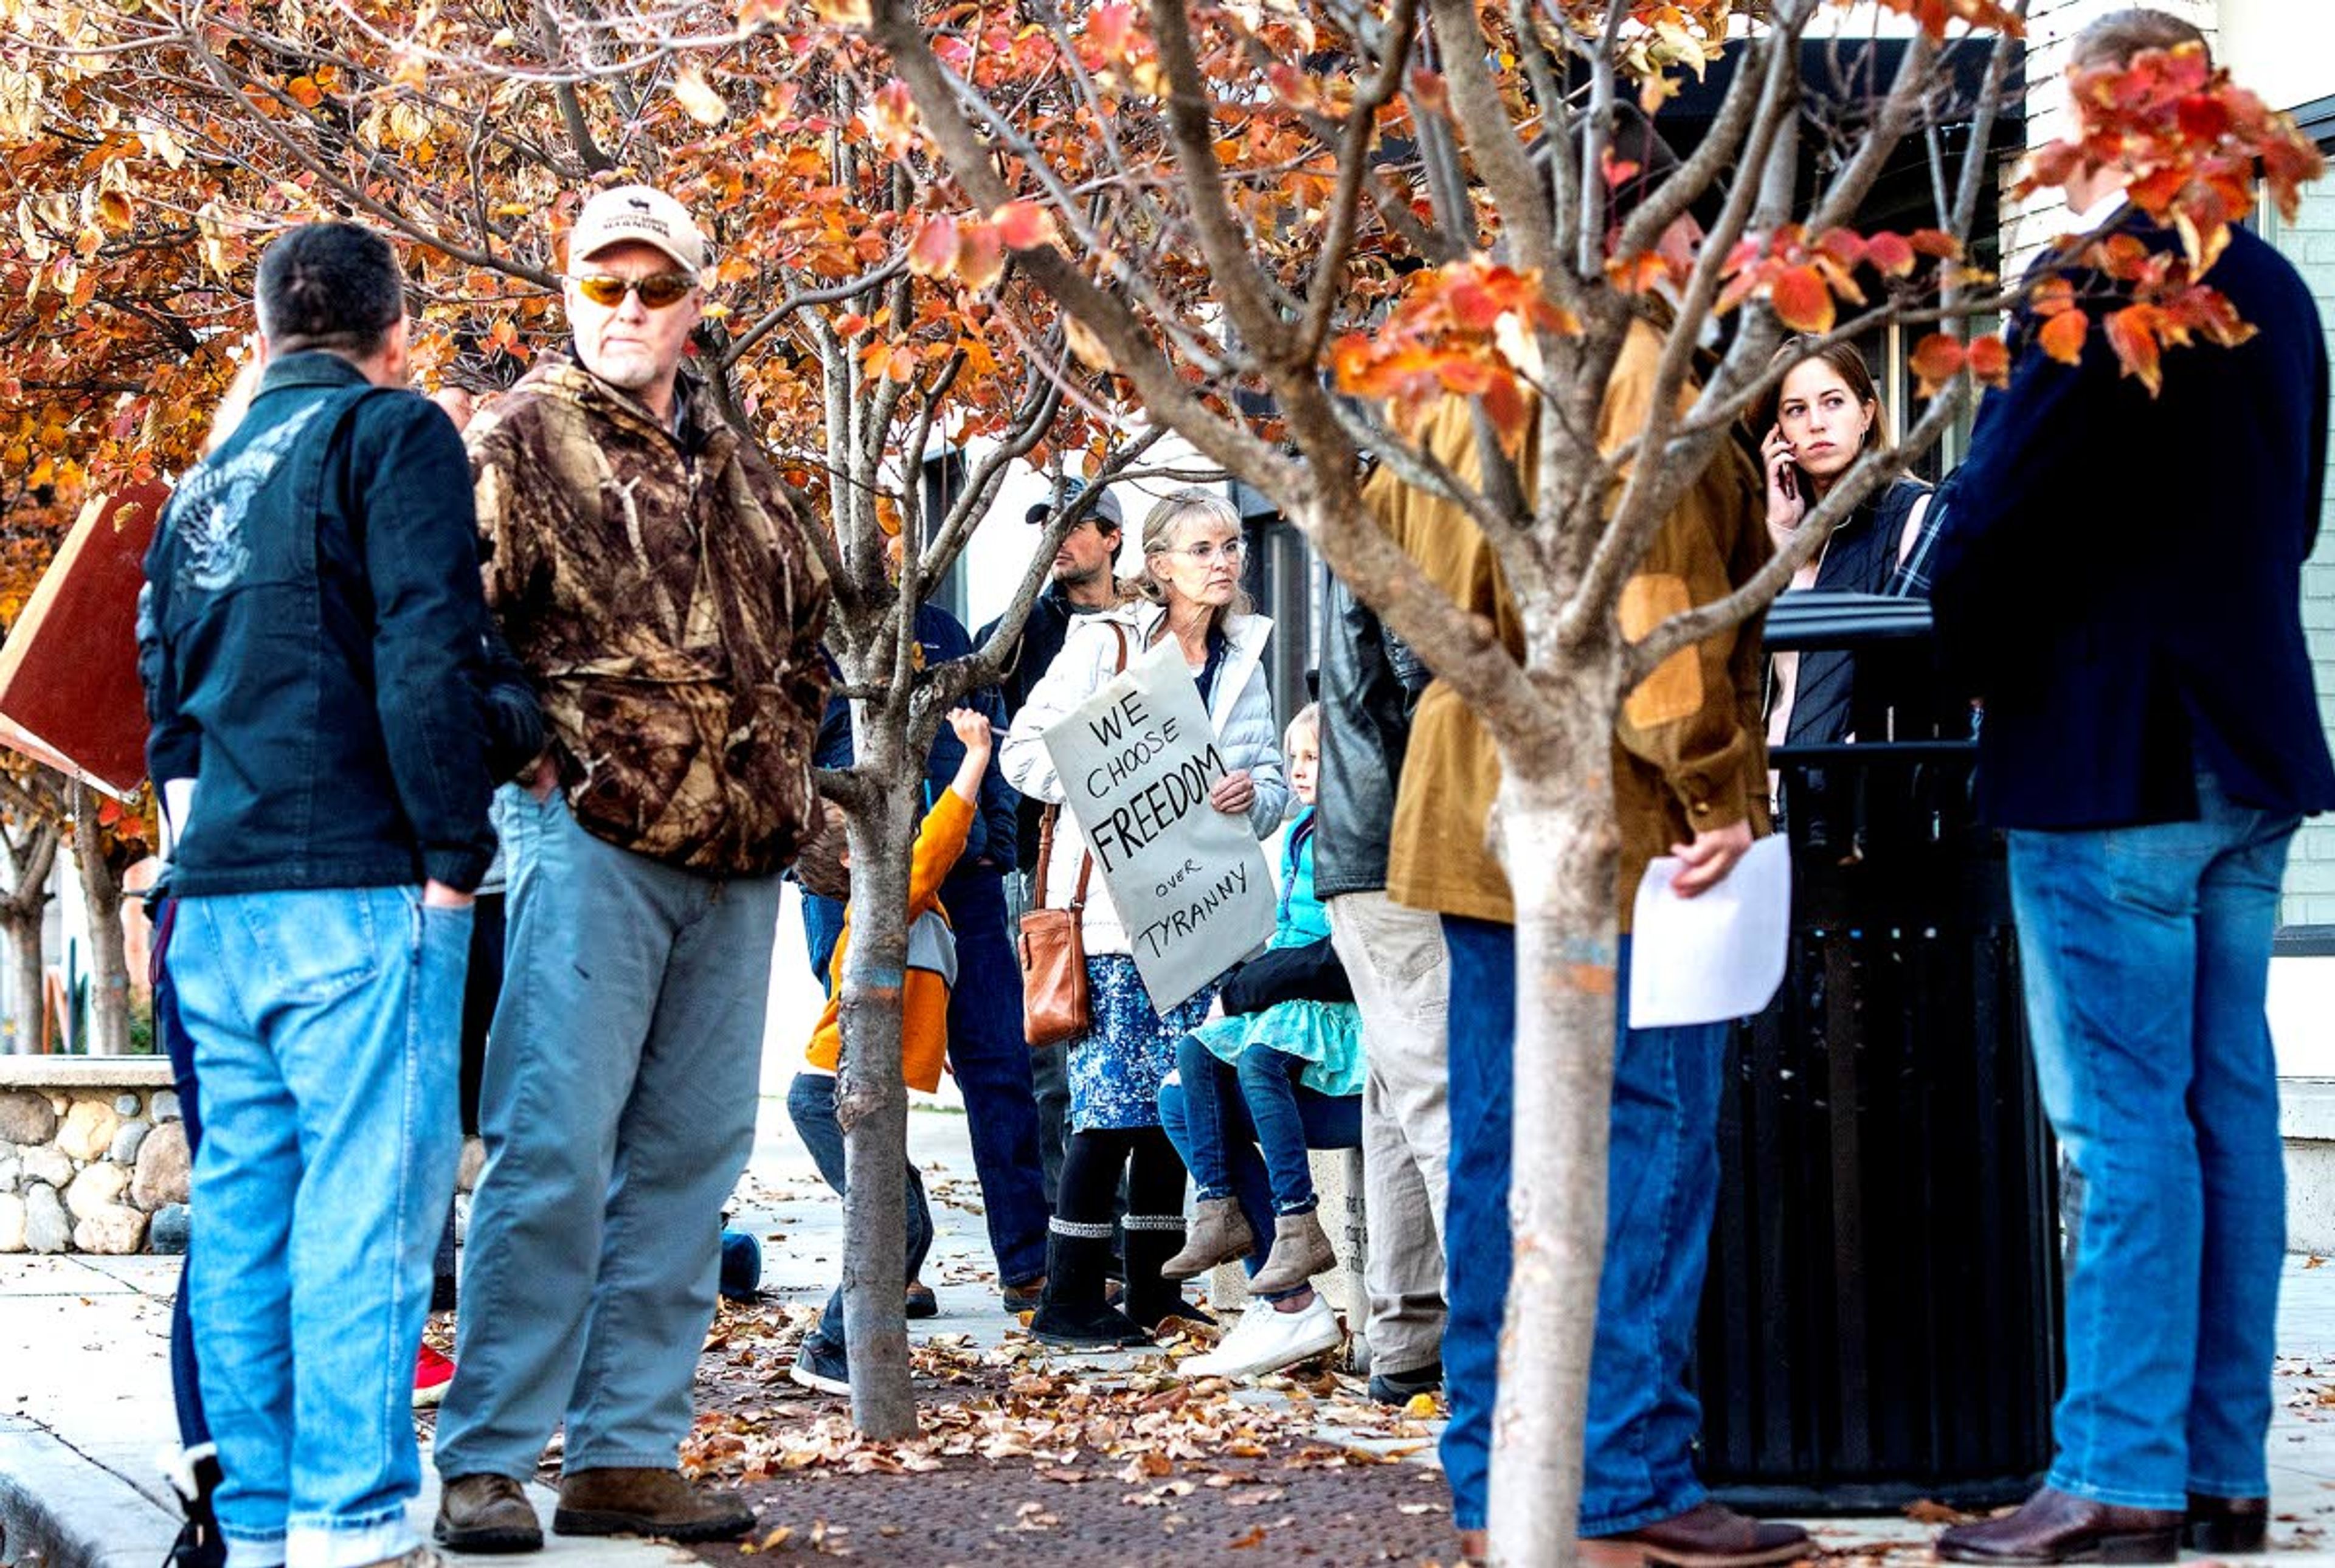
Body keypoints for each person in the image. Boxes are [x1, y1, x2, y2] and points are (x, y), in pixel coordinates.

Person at [1925, 12, 2335, 1564]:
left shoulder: (2089, 278)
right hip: (2243, 747)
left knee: (2121, 1127)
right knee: (2223, 1113)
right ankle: (2217, 1471)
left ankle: (2115, 1475)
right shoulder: (2279, 289)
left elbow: (1990, 517)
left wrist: (1966, 652)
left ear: (2097, 120)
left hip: (2110, 758)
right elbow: (2289, 521)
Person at [1377, 118, 1803, 1563]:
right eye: (1695, 216)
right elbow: (1659, 630)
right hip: (1616, 826)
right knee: (1641, 1144)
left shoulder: (1446, 359)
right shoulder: (1631, 366)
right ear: (1643, 211)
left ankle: (1501, 1465)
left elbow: (1383, 562)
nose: (1708, 250)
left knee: (1506, 1152)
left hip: (1470, 805)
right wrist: (1718, 801)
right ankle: (1618, 1472)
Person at [432, 185, 829, 1550]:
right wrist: (532, 746)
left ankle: (624, 1449)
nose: (628, 309)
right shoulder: (519, 440)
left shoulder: (741, 452)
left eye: (654, 285)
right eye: (604, 284)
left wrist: (795, 743)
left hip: (742, 851)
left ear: (696, 300)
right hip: (593, 836)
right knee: (552, 1147)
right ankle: (487, 1455)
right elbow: (445, 623)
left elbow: (808, 619)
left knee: (690, 1157)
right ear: (568, 292)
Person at [141, 221, 499, 1568]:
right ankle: (348, 1522)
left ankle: (254, 1517)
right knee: (366, 1217)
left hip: (218, 894)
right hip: (353, 881)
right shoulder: (392, 435)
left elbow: (161, 699)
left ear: (263, 332)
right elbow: (428, 649)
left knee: (247, 1218)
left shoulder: (203, 479)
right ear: (393, 331)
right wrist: (454, 857)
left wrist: (195, 850)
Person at [1000, 488, 1289, 1348]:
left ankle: (1153, 1293)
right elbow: (1025, 752)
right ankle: (1068, 1299)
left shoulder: (1245, 657)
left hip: (1205, 911)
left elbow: (1271, 782)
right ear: (1158, 565)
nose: (1224, 560)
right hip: (1114, 916)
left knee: (1174, 1101)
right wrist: (1111, 778)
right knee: (1107, 1109)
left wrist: (1253, 796)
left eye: (1233, 544)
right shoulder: (1105, 644)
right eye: (1202, 548)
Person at [808, 601, 1050, 1314]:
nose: (884, 527)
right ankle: (898, 1253)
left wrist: (990, 843)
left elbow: (994, 739)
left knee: (1001, 1063)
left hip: (962, 876)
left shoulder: (943, 631)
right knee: (863, 1072)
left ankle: (1028, 1263)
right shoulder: (809, 633)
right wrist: (815, 855)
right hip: (850, 879)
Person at [787, 709, 995, 1394]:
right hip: (829, 1091)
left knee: (911, 1222)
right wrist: (973, 758)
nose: (901, 833)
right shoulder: (886, 900)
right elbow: (939, 843)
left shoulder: (914, 906)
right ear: (854, 859)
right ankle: (829, 1346)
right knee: (891, 1221)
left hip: (862, 1087)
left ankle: (864, 1342)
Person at [1157, 703, 1355, 1375]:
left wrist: (1261, 980)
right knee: (1184, 1077)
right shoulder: (1299, 831)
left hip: (1333, 1035)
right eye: (1294, 760)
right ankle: (1229, 1221)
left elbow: (1342, 953)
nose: (1301, 772)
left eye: (1314, 760)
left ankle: (1298, 1231)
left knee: (1255, 1063)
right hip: (1290, 996)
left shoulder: (1356, 830)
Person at [1313, 571, 1451, 1406]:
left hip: (1364, 848)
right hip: (1404, 847)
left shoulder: (1366, 501)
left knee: (1400, 1105)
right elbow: (1424, 679)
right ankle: (1488, 1346)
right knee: (1445, 1105)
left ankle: (1406, 1341)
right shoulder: (1406, 507)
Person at [980, 478, 1128, 1204]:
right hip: (1045, 865)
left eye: (1076, 524)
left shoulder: (1150, 626)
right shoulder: (1016, 634)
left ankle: (1135, 1224)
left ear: (1114, 539)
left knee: (1132, 1043)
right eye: (1047, 526)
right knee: (1051, 1044)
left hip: (1137, 861)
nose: (1059, 538)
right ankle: (1064, 1226)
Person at [1752, 337, 1937, 750]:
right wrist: (1778, 532)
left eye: (1833, 402)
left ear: (1866, 413)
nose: (1816, 422)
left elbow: (1915, 677)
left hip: (1862, 793)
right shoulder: (1776, 531)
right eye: (1797, 410)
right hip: (1773, 789)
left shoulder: (1912, 514)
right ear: (1777, 431)